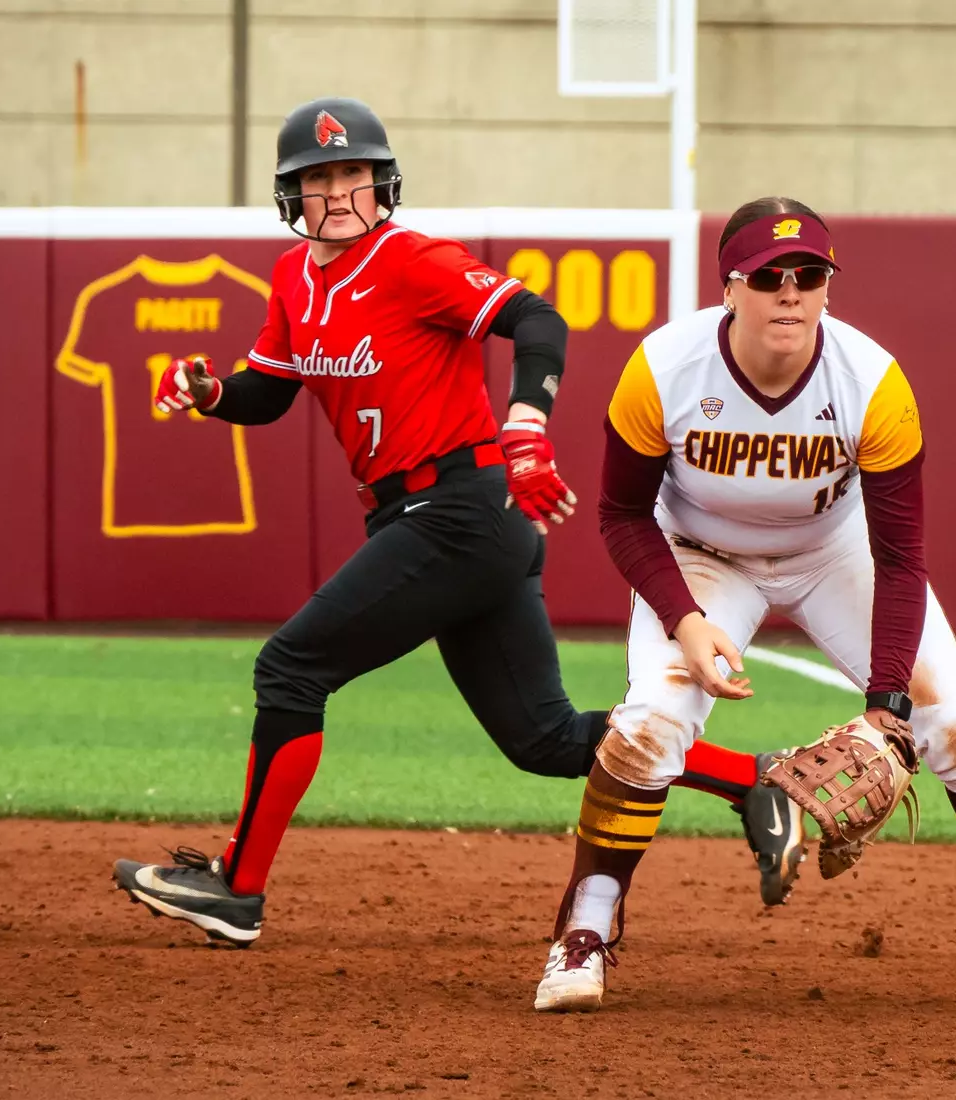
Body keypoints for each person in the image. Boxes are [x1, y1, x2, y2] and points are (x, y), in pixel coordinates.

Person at [111, 99, 806, 947]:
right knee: (543, 738)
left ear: (382, 180)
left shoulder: (411, 260)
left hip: (460, 510)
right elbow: (271, 391)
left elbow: (537, 320)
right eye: (321, 176)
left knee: (290, 669)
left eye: (355, 171)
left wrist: (525, 426)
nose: (340, 188)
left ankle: (237, 890)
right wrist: (210, 391)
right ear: (293, 192)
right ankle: (757, 780)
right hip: (441, 520)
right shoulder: (294, 279)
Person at [532, 197, 956, 1018]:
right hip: (700, 556)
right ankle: (583, 933)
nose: (790, 291)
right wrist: (685, 620)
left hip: (837, 552)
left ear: (828, 288)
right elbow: (621, 516)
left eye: (810, 275)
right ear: (730, 287)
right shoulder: (663, 368)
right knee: (651, 722)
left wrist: (886, 710)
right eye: (769, 276)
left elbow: (902, 558)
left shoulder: (871, 381)